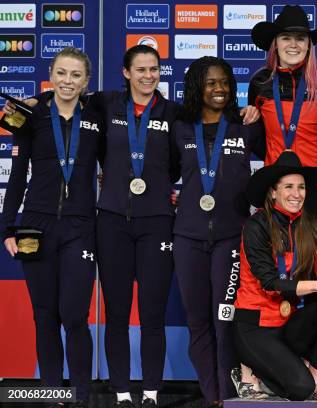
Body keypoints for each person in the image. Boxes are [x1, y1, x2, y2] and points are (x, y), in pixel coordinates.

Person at [0, 47, 105, 408]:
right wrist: (6, 228)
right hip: (35, 226)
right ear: (51, 75)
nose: (68, 81)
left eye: (76, 75)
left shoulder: (98, 114)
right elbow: (16, 177)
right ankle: (52, 394)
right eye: (61, 73)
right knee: (44, 315)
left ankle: (80, 395)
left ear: (86, 81)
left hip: (80, 226)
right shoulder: (30, 116)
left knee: (75, 315)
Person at [169, 56, 265, 407]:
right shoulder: (180, 127)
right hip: (188, 237)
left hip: (231, 238)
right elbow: (158, 169)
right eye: (210, 83)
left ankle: (228, 395)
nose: (219, 88)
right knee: (198, 323)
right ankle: (213, 396)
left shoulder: (246, 125)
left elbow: (281, 155)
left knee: (225, 321)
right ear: (197, 87)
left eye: (224, 81)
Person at [92, 45, 181, 408]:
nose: (148, 76)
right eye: (140, 70)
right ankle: (121, 390)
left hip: (157, 222)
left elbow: (179, 163)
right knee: (115, 311)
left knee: (152, 312)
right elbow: (64, 104)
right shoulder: (105, 105)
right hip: (112, 219)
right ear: (126, 72)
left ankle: (151, 391)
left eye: (154, 69)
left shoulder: (174, 113)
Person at [232, 150, 317, 401]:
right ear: (273, 191)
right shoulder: (256, 226)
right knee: (299, 390)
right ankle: (249, 368)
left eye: (301, 187)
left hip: (288, 324)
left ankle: (314, 377)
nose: (296, 194)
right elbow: (271, 284)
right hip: (255, 327)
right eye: (288, 187)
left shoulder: (311, 225)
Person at [249, 5, 317, 255]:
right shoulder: (260, 83)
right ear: (275, 43)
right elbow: (257, 137)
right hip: (279, 186)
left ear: (309, 44)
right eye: (286, 38)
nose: (293, 44)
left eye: (300, 38)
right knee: (283, 265)